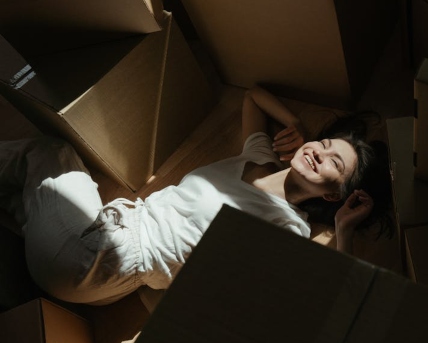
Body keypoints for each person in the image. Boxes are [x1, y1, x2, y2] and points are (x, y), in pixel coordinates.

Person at [0, 85, 392, 307]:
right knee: (23, 194)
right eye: (324, 143)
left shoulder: (287, 227)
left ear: (334, 194)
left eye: (333, 163)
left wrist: (344, 229)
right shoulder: (259, 156)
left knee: (52, 153)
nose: (319, 152)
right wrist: (294, 123)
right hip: (98, 256)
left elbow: (333, 295)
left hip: (98, 259)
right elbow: (252, 96)